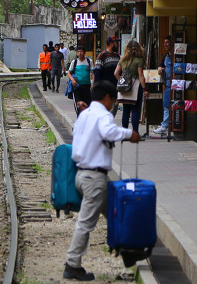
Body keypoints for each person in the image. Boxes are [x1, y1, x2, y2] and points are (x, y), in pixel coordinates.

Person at [64, 80, 141, 281]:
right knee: (86, 222)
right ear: (107, 98)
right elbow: (109, 132)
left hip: (82, 175)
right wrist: (129, 134)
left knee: (116, 211)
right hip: (94, 178)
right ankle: (72, 264)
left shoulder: (85, 115)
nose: (113, 105)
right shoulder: (102, 115)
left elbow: (76, 134)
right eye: (113, 100)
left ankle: (129, 250)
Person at [114, 41, 150, 133]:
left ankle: (125, 133)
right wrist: (145, 89)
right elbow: (141, 75)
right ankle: (135, 133)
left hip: (124, 88)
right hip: (136, 87)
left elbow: (116, 73)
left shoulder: (122, 60)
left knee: (125, 110)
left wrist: (122, 81)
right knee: (135, 110)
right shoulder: (139, 60)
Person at [153, 36, 174, 136]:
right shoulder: (166, 56)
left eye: (167, 42)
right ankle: (166, 125)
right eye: (165, 42)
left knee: (168, 105)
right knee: (166, 104)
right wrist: (160, 68)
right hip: (168, 84)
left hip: (175, 83)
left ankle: (165, 126)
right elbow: (160, 65)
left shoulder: (175, 56)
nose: (165, 44)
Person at [68, 46, 93, 113]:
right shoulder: (74, 62)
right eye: (78, 52)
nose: (80, 53)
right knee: (79, 106)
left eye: (81, 51)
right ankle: (80, 119)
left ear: (84, 53)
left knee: (87, 105)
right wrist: (72, 80)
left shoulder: (89, 61)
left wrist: (93, 83)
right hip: (77, 87)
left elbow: (93, 73)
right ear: (76, 53)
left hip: (87, 86)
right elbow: (69, 73)